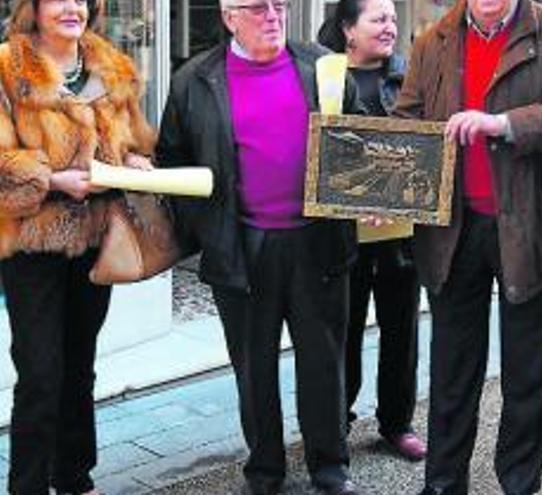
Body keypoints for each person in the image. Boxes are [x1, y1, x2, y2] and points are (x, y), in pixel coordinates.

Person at [394, 0, 542, 492]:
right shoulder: (433, 41)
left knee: (528, 375)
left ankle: (518, 484)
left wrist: (505, 124)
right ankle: (444, 484)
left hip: (531, 228)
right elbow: (408, 123)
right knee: (451, 373)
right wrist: (392, 189)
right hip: (453, 230)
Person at [155, 0, 364, 494]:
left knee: (323, 360)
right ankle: (265, 468)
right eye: (258, 7)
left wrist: (366, 195)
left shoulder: (323, 67)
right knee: (254, 366)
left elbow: (359, 137)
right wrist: (206, 227)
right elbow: (171, 157)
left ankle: (330, 465)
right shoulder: (195, 80)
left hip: (317, 241)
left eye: (279, 5)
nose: (273, 15)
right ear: (229, 17)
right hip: (242, 245)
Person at [0, 0, 156, 493]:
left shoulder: (111, 66)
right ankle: (27, 485)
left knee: (79, 363)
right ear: (35, 7)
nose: (73, 7)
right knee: (40, 371)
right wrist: (51, 181)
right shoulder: (7, 66)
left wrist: (133, 160)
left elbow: (133, 139)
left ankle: (74, 475)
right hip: (32, 243)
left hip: (94, 238)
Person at [317, 0, 427, 462]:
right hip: (341, 234)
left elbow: (425, 145)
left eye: (393, 21)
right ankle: (335, 422)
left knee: (402, 329)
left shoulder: (410, 77)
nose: (390, 28)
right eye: (378, 19)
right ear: (348, 28)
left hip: (399, 230)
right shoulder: (319, 75)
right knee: (341, 329)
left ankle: (397, 423)